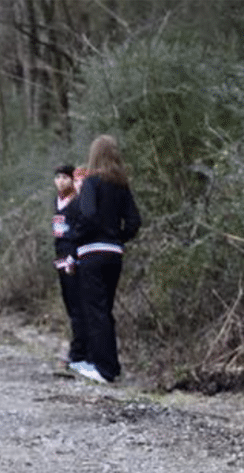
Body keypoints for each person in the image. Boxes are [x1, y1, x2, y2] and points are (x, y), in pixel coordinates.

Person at [68, 136, 142, 384]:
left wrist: (76, 236)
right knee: (105, 309)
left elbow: (87, 214)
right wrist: (117, 238)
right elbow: (134, 222)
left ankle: (104, 369)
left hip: (92, 254)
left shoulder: (91, 182)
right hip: (114, 254)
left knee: (95, 310)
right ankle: (110, 365)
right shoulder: (122, 185)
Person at [51, 164, 86, 368]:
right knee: (70, 304)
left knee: (77, 306)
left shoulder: (78, 202)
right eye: (57, 177)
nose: (61, 181)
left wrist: (73, 257)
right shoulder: (56, 201)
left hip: (74, 258)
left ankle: (79, 351)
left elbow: (79, 232)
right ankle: (77, 347)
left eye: (65, 177)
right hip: (60, 256)